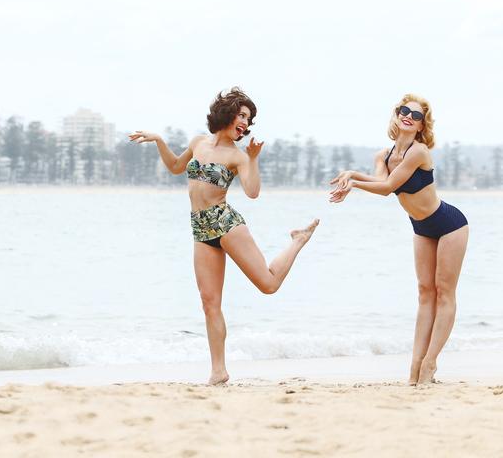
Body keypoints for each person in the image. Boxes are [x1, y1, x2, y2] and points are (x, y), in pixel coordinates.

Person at [129, 87, 319, 385]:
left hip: (226, 223)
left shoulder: (238, 156)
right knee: (209, 302)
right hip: (200, 227)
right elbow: (176, 167)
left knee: (268, 285)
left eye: (249, 118)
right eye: (241, 115)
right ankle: (218, 371)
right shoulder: (198, 143)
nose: (245, 122)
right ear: (226, 113)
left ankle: (297, 240)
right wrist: (160, 142)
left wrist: (254, 159)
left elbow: (253, 192)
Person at [329, 93, 468, 385]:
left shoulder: (418, 152)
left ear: (420, 126)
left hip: (449, 225)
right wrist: (352, 174)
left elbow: (389, 186)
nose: (409, 116)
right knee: (424, 292)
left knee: (444, 293)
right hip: (421, 227)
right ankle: (415, 365)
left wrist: (353, 183)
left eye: (416, 116)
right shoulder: (383, 155)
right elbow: (380, 180)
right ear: (396, 114)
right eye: (405, 111)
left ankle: (429, 363)